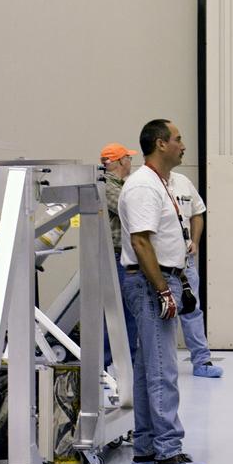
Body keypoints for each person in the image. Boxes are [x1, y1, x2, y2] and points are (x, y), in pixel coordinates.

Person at [118, 119, 208, 464]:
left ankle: (145, 449)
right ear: (160, 144)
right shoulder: (143, 187)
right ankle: (168, 454)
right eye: (178, 139)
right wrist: (162, 290)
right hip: (150, 282)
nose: (183, 145)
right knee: (162, 370)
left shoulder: (164, 183)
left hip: (161, 278)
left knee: (147, 368)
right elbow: (141, 242)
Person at [169, 169, 223, 378]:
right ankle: (165, 364)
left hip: (186, 261)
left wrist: (195, 242)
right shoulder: (148, 183)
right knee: (166, 314)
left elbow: (198, 214)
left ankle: (202, 361)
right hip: (161, 263)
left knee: (192, 309)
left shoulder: (183, 181)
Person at [99, 142, 139, 365]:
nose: (130, 162)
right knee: (116, 312)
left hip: (125, 256)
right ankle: (105, 363)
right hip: (116, 257)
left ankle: (130, 361)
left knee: (129, 310)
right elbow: (129, 207)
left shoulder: (122, 185)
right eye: (128, 158)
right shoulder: (106, 186)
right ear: (119, 162)